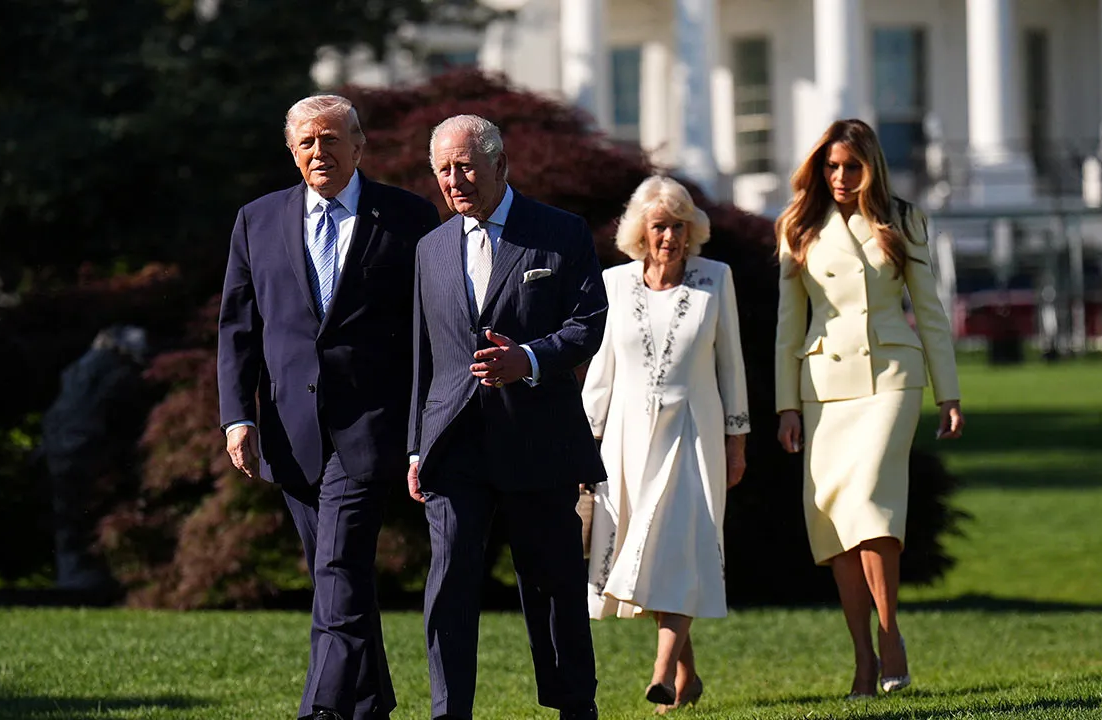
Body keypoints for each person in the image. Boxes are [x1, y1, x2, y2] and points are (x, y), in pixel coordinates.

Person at [218, 94, 439, 720]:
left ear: (359, 146)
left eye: (333, 139)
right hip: (290, 432)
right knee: (334, 577)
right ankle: (370, 703)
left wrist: (427, 424)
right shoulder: (256, 221)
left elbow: (433, 326)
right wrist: (239, 415)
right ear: (292, 150)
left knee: (339, 562)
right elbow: (238, 328)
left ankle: (322, 708)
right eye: (308, 142)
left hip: (370, 429)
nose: (321, 152)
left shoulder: (408, 217)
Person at [407, 114, 607, 720]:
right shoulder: (430, 248)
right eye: (443, 169)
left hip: (537, 437)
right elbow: (424, 353)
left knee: (552, 584)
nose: (453, 179)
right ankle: (450, 711)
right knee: (449, 585)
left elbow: (588, 323)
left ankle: (574, 705)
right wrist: (417, 447)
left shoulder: (560, 232)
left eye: (465, 165)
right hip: (454, 444)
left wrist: (529, 359)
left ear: (501, 164)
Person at [773, 119, 965, 698]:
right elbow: (789, 326)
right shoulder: (798, 226)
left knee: (870, 504)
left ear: (872, 167)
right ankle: (862, 659)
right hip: (825, 386)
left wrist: (948, 391)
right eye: (830, 166)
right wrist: (786, 406)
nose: (838, 177)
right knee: (834, 522)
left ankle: (891, 637)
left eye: (850, 167)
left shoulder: (904, 220)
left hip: (891, 377)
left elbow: (929, 310)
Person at [581, 176, 749, 713]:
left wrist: (737, 437)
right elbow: (601, 373)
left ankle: (662, 674)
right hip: (627, 442)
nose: (670, 237)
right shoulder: (613, 284)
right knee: (647, 554)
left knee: (677, 545)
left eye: (679, 227)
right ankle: (688, 675)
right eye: (660, 226)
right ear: (640, 231)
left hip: (695, 436)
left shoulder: (715, 279)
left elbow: (732, 366)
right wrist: (585, 443)